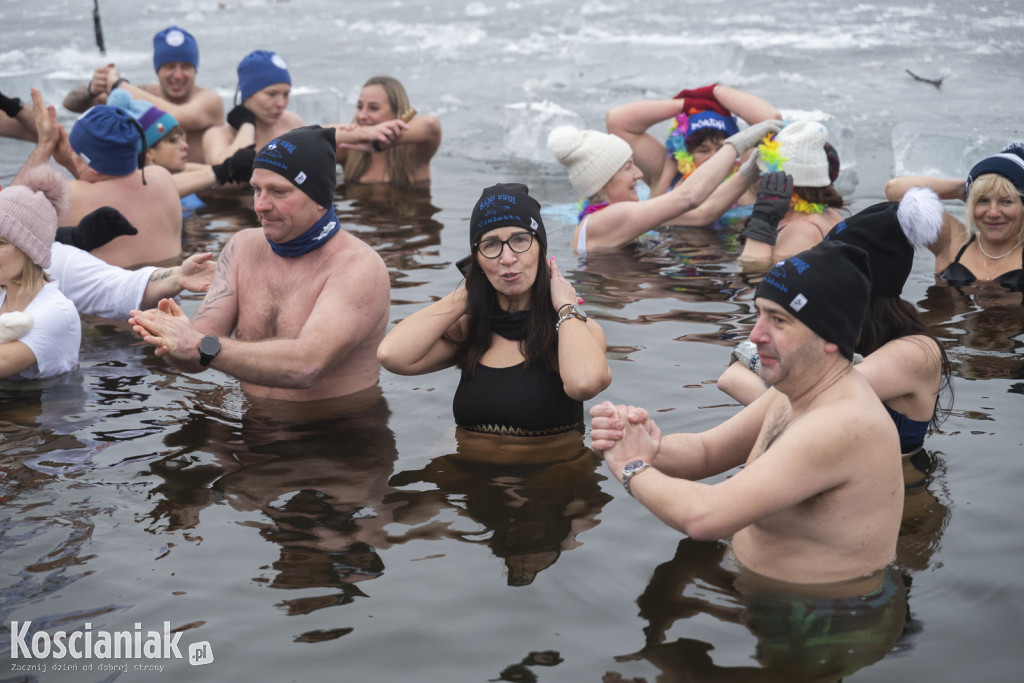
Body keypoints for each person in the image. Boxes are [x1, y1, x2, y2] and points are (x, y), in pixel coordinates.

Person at [591, 239, 905, 586]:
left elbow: (704, 518)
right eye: (759, 313)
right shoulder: (797, 390)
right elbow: (705, 452)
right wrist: (643, 444)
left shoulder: (843, 423)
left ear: (831, 334)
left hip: (825, 624)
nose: (755, 335)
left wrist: (631, 466)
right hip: (767, 599)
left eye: (778, 320)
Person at [129, 125, 390, 402]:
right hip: (250, 424)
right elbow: (196, 356)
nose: (261, 206)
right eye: (257, 190)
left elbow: (306, 366)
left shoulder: (358, 268)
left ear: (319, 200)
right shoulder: (243, 247)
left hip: (334, 433)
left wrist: (196, 345)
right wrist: (171, 340)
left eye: (278, 192)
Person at [718, 188, 954, 455]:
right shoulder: (841, 324)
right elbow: (730, 378)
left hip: (900, 493)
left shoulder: (917, 351)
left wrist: (788, 398)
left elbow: (820, 396)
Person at [376, 183, 611, 439]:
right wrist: (470, 290)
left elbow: (584, 384)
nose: (507, 258)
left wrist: (566, 308)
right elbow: (392, 356)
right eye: (491, 245)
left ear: (541, 248)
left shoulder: (575, 329)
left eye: (520, 240)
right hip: (466, 475)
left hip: (548, 476)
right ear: (476, 258)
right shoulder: (472, 328)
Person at [547, 119, 782, 254]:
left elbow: (701, 214)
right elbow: (688, 198)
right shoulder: (609, 217)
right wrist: (738, 144)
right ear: (604, 181)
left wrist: (750, 170)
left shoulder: (608, 217)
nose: (639, 174)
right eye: (628, 168)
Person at [605, 84, 781, 221]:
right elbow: (617, 121)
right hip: (669, 258)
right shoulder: (667, 171)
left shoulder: (746, 173)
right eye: (703, 151)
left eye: (723, 149)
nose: (715, 158)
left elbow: (771, 120)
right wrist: (686, 104)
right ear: (686, 153)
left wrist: (714, 92)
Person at [62, 26, 224, 163]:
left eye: (186, 67)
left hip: (207, 197)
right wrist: (92, 88)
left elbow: (179, 116)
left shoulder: (210, 101)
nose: (178, 75)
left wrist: (118, 84)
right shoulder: (146, 93)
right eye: (170, 66)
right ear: (157, 70)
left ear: (195, 69)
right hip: (154, 187)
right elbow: (70, 105)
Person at [885, 143, 1024, 292]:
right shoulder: (953, 241)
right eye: (982, 200)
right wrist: (964, 189)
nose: (992, 213)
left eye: (1006, 202)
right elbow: (894, 190)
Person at [59, 104, 182, 268]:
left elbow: (14, 217)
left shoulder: (70, 195)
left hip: (113, 292)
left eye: (74, 150)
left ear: (93, 166)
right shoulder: (162, 178)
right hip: (172, 288)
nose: (69, 154)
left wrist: (44, 147)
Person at [0, 163, 81, 380]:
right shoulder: (2, 296)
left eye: (0, 243)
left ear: (30, 250)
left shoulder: (57, 312)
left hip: (36, 409)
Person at [107, 90, 255, 198]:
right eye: (173, 140)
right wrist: (219, 173)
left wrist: (236, 167)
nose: (185, 146)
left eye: (182, 137)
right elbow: (155, 186)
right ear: (148, 152)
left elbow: (229, 176)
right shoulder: (133, 187)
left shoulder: (181, 171)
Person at [736, 120, 846, 264]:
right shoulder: (830, 213)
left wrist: (761, 226)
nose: (760, 179)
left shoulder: (799, 231)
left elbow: (757, 276)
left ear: (784, 182)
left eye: (765, 173)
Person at [202, 50, 305, 167]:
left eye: (286, 95)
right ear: (247, 95)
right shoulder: (218, 135)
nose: (281, 104)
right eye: (272, 94)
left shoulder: (291, 122)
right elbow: (225, 172)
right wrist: (247, 124)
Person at [333, 76, 442, 186]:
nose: (361, 116)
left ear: (396, 112)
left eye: (373, 108)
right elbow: (316, 135)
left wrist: (379, 144)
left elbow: (431, 124)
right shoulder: (349, 149)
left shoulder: (412, 153)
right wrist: (362, 134)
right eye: (360, 106)